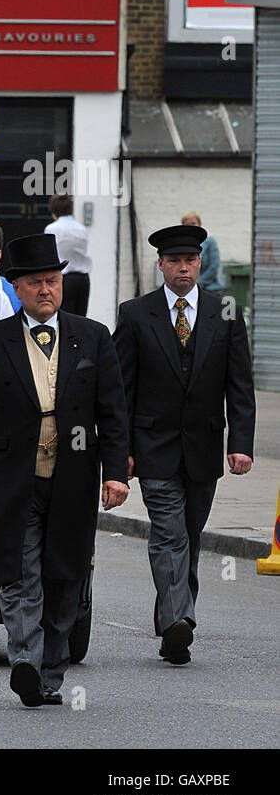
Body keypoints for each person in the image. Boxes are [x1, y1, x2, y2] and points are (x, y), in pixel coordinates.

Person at [0, 233, 129, 707]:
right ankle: (25, 662)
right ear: (18, 288)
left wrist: (116, 473)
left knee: (65, 575)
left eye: (53, 281)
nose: (47, 290)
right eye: (35, 283)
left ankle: (51, 673)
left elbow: (113, 412)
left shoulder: (93, 336)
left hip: (74, 478)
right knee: (20, 572)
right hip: (15, 479)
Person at [112, 224, 255, 666]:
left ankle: (173, 621)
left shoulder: (225, 312)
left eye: (190, 260)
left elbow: (240, 384)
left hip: (205, 447)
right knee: (169, 534)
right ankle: (180, 619)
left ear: (199, 263)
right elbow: (120, 389)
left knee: (189, 536)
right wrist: (122, 452)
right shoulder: (136, 314)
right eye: (173, 261)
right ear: (161, 265)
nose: (182, 268)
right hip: (153, 447)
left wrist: (242, 443)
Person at [44, 193, 92, 316]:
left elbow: (49, 255)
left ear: (54, 211)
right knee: (80, 318)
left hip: (64, 279)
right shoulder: (81, 228)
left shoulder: (52, 229)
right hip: (83, 279)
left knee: (64, 318)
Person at [180, 211, 228, 292]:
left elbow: (214, 267)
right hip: (188, 289)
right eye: (187, 225)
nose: (191, 227)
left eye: (193, 224)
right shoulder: (182, 244)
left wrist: (198, 283)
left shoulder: (210, 242)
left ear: (199, 224)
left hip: (210, 288)